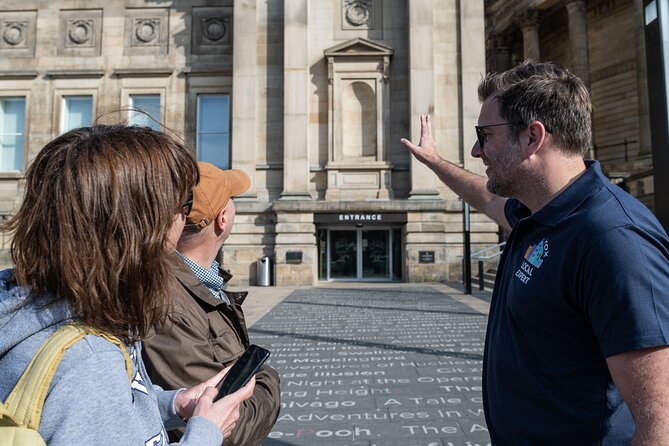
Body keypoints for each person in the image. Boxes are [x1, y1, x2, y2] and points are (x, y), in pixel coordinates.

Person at [401, 60, 669, 445]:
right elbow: (487, 199)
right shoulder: (537, 211)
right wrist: (436, 163)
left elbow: (660, 421)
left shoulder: (612, 239)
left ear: (532, 138)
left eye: (485, 135)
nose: (477, 149)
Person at [0, 125, 255, 445]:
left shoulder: (52, 298)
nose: (184, 218)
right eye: (183, 203)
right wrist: (207, 431)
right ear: (144, 226)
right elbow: (93, 395)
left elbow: (112, 412)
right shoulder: (90, 360)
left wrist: (173, 404)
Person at [143, 162, 281, 446]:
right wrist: (267, 377)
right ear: (222, 218)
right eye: (231, 199)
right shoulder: (169, 306)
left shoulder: (203, 283)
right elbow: (228, 428)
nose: (234, 206)